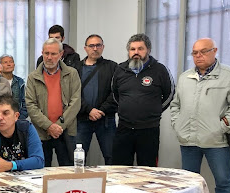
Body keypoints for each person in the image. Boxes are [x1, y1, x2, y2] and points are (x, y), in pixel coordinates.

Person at [170, 38, 230, 193]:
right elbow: (175, 105)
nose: (198, 56)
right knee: (189, 182)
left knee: (223, 180)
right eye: (195, 53)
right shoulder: (185, 77)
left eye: (203, 52)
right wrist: (177, 124)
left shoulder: (228, 76)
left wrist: (223, 125)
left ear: (214, 51)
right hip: (188, 139)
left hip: (217, 140)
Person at [111, 33, 174, 167]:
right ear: (128, 51)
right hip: (124, 128)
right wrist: (125, 107)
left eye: (140, 49)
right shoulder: (119, 70)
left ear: (148, 50)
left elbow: (169, 94)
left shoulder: (160, 70)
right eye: (133, 49)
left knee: (148, 169)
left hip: (149, 129)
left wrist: (154, 109)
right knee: (120, 168)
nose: (136, 52)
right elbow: (115, 94)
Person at [26, 38, 81, 167]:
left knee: (67, 170)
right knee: (41, 170)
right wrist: (49, 126)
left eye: (53, 54)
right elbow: (31, 105)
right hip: (41, 132)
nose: (49, 57)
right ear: (42, 53)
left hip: (65, 131)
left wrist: (59, 126)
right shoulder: (32, 77)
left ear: (61, 54)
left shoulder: (72, 74)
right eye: (46, 53)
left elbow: (76, 101)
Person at [72, 34, 118, 165]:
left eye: (98, 45)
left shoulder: (112, 67)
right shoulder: (75, 69)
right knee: (78, 159)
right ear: (85, 48)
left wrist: (101, 110)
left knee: (111, 156)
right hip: (81, 119)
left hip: (105, 120)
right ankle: (79, 185)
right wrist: (89, 110)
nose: (95, 48)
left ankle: (111, 184)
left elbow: (116, 92)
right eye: (91, 46)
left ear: (103, 47)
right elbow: (72, 94)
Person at [0, 95, 45, 172]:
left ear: (16, 116)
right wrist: (23, 164)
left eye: (5, 113)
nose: (0, 117)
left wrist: (11, 165)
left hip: (25, 179)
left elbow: (39, 160)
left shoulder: (26, 128)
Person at [0, 55, 28, 120]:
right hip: (0, 118)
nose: (9, 64)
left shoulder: (20, 82)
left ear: (14, 65)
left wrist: (20, 118)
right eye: (5, 62)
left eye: (11, 62)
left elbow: (25, 103)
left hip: (17, 118)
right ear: (0, 66)